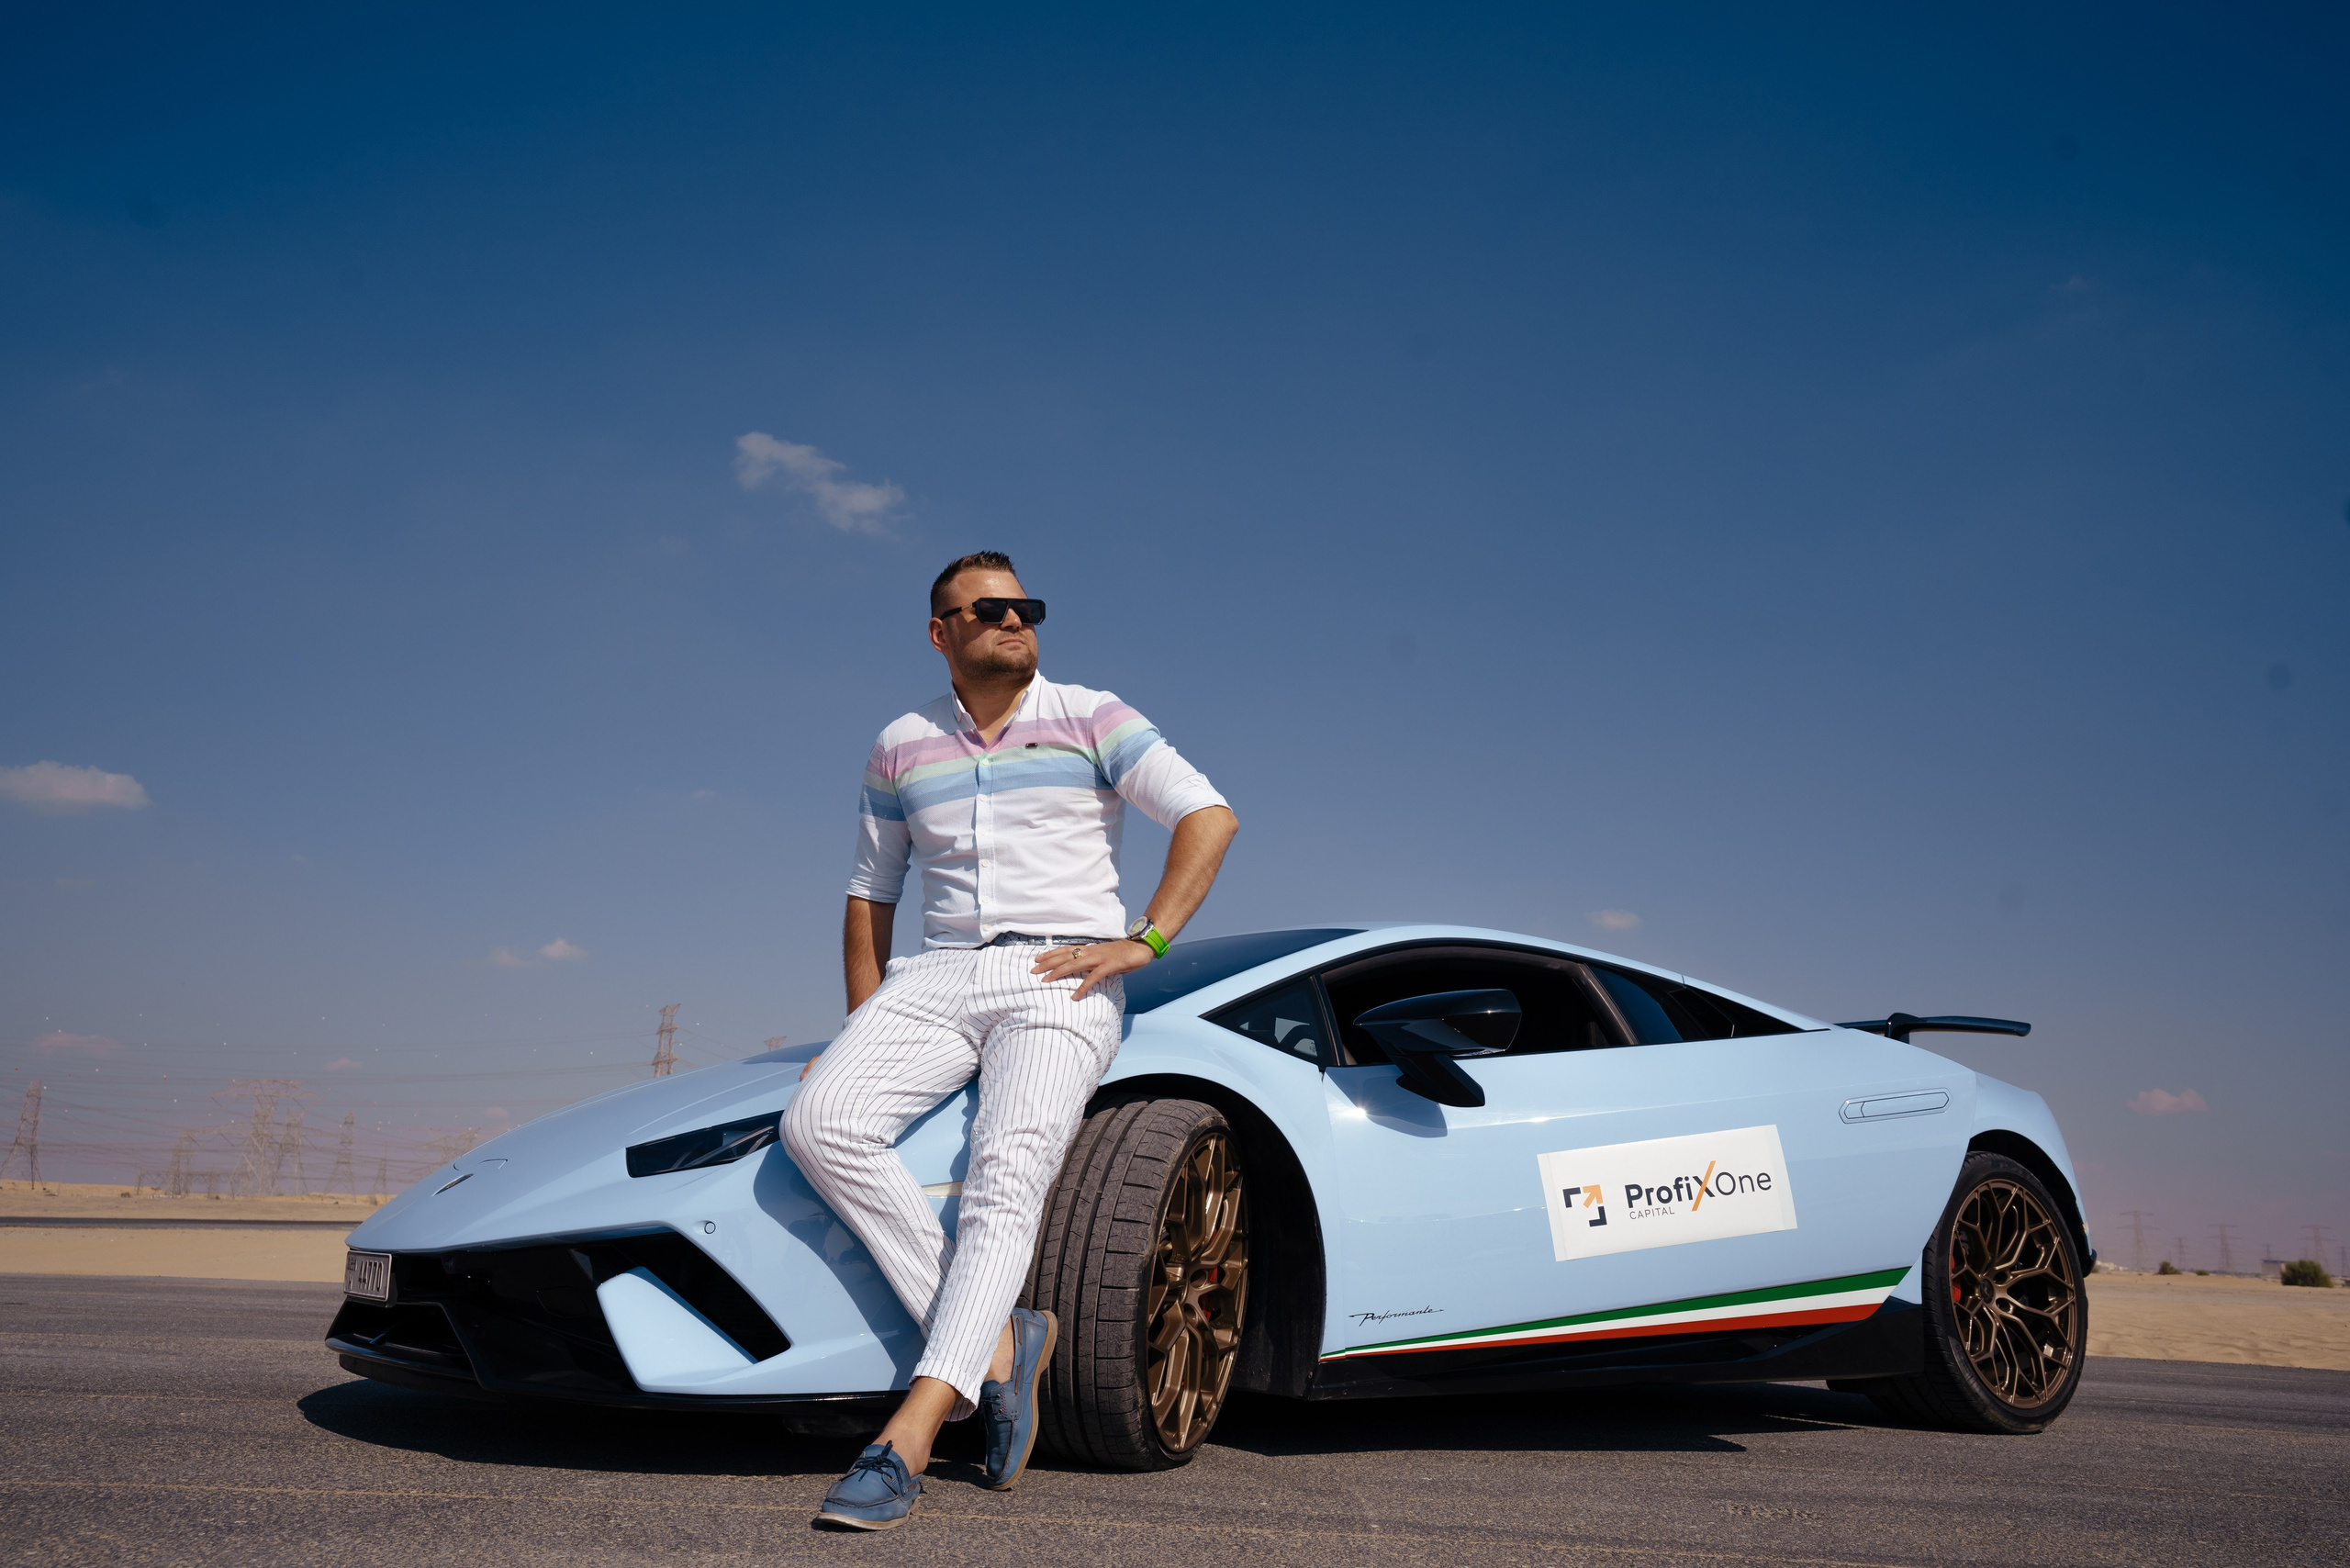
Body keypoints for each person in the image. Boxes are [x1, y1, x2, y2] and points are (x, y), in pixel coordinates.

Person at [782, 550, 1238, 1530]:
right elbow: (872, 893)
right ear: (940, 632)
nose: (1011, 618)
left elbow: (1208, 814)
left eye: (1023, 605)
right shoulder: (901, 742)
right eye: (983, 609)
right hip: (937, 975)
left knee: (1006, 1171)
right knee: (820, 1121)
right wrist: (861, 1021)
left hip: (1060, 975)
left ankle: (908, 1431)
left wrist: (1143, 938)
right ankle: (998, 1347)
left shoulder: (1092, 714)